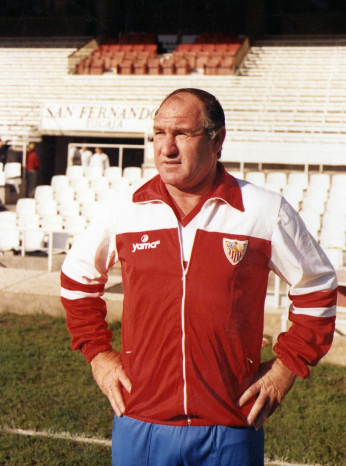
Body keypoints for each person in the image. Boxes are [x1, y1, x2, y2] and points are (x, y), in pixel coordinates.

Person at [60, 88, 337, 466]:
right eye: (159, 133)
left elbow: (318, 287)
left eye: (182, 134)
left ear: (216, 140)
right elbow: (77, 280)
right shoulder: (124, 210)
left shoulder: (262, 210)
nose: (166, 147)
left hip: (231, 425)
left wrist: (284, 370)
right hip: (140, 420)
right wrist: (99, 355)